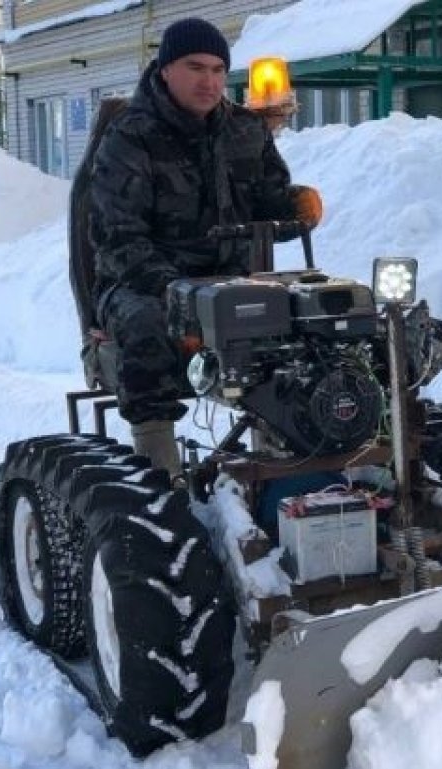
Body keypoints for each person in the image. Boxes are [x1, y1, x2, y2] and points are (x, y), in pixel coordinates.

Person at [87, 17, 322, 478]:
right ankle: (162, 474)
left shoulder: (245, 130)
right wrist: (180, 294)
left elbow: (270, 208)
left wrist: (298, 206)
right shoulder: (131, 137)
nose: (209, 81)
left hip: (232, 279)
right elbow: (117, 239)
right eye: (196, 67)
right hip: (146, 284)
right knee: (146, 326)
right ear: (166, 69)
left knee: (321, 316)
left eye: (218, 69)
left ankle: (286, 461)